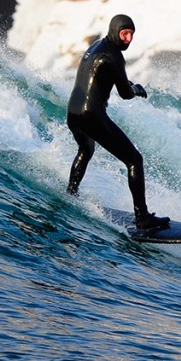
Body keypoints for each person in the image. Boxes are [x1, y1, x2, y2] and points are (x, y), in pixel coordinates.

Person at [67, 14, 170, 232]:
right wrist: (136, 89)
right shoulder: (114, 56)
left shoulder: (95, 47)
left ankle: (71, 193)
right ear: (115, 31)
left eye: (131, 34)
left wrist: (127, 83)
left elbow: (106, 75)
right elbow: (125, 93)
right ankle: (142, 218)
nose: (128, 39)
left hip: (73, 112)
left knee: (86, 149)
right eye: (124, 34)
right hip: (91, 114)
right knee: (134, 160)